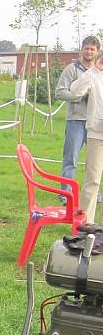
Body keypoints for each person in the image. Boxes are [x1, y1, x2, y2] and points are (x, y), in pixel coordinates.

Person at [55, 36, 102, 199]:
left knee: (95, 162)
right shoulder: (71, 69)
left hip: (96, 123)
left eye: (92, 49)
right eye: (86, 48)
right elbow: (60, 92)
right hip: (76, 120)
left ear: (97, 52)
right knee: (71, 159)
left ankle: (94, 195)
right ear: (82, 49)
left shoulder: (100, 70)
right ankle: (65, 194)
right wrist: (80, 97)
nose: (89, 51)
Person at [68, 50, 103, 222]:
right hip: (97, 135)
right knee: (93, 180)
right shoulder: (94, 75)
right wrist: (93, 71)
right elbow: (74, 91)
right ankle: (84, 224)